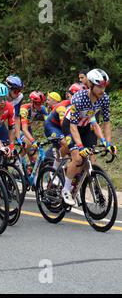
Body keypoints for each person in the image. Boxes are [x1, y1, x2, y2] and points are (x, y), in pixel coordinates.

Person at [61, 69, 117, 205]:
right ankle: (66, 189)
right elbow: (73, 127)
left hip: (87, 126)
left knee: (89, 157)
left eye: (104, 86)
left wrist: (107, 143)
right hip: (70, 125)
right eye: (99, 86)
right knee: (78, 157)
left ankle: (71, 172)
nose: (102, 89)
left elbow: (106, 122)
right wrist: (80, 147)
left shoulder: (104, 98)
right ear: (91, 85)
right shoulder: (79, 98)